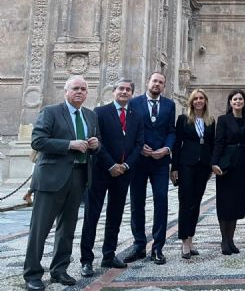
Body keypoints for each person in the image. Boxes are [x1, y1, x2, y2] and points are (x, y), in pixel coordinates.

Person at [23, 75, 100, 291]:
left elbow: (97, 144)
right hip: (51, 179)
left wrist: (96, 144)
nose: (80, 92)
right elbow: (38, 141)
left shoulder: (90, 116)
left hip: (79, 177)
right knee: (40, 229)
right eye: (75, 88)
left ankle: (59, 269)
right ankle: (32, 274)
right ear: (66, 91)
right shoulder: (51, 112)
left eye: (83, 89)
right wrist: (69, 144)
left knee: (67, 228)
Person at [80, 78, 144, 277]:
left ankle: (109, 254)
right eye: (121, 89)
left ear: (132, 94)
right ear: (114, 91)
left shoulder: (136, 115)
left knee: (115, 215)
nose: (124, 92)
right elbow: (96, 140)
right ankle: (87, 260)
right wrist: (110, 165)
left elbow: (139, 144)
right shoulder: (100, 113)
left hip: (123, 174)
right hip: (101, 171)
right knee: (92, 215)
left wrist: (125, 165)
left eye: (128, 89)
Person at [125, 72, 176, 265]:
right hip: (139, 160)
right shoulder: (134, 102)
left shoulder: (169, 105)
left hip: (160, 162)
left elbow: (171, 130)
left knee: (161, 201)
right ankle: (139, 245)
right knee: (137, 202)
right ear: (148, 82)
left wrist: (166, 148)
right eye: (154, 81)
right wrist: (140, 147)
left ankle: (158, 248)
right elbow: (129, 129)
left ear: (164, 86)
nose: (157, 84)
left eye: (161, 82)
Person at [171, 89, 215, 259]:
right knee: (185, 202)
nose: (198, 101)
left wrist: (211, 165)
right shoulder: (183, 120)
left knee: (196, 203)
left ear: (205, 101)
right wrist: (174, 167)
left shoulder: (210, 121)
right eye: (195, 98)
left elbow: (211, 145)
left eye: (201, 98)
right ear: (191, 101)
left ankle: (191, 238)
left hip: (203, 166)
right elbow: (177, 144)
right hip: (186, 165)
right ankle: (184, 241)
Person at [212, 90, 245, 255]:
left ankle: (231, 239)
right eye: (235, 99)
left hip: (242, 166)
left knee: (236, 204)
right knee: (224, 203)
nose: (238, 101)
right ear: (230, 102)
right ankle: (224, 240)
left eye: (240, 99)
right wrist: (214, 162)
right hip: (225, 166)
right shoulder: (223, 120)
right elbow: (219, 142)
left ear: (244, 102)